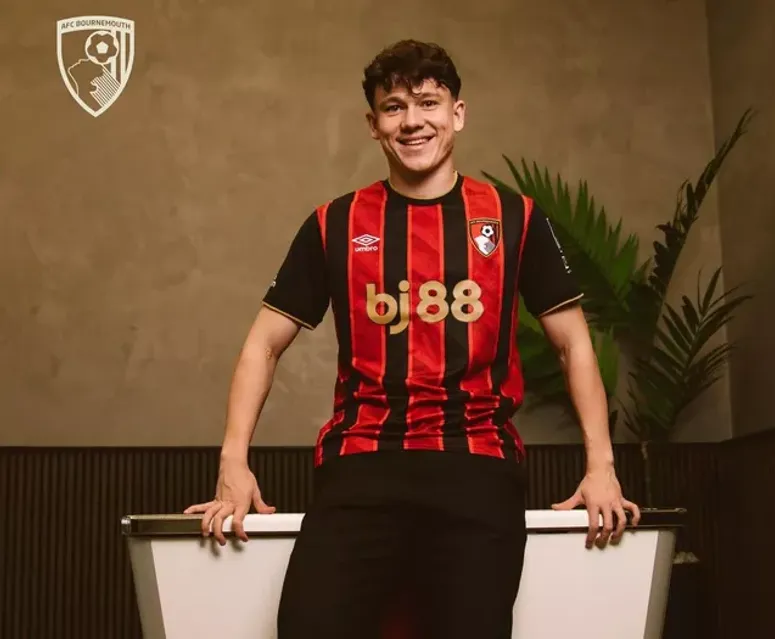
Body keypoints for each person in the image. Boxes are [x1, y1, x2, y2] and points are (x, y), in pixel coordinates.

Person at [184, 39, 641, 638]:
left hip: (477, 468)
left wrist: (601, 467)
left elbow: (573, 344)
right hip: (362, 467)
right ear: (373, 124)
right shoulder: (335, 223)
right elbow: (262, 345)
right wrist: (233, 463)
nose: (412, 120)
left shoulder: (514, 217)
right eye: (394, 107)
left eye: (428, 102)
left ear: (457, 113)